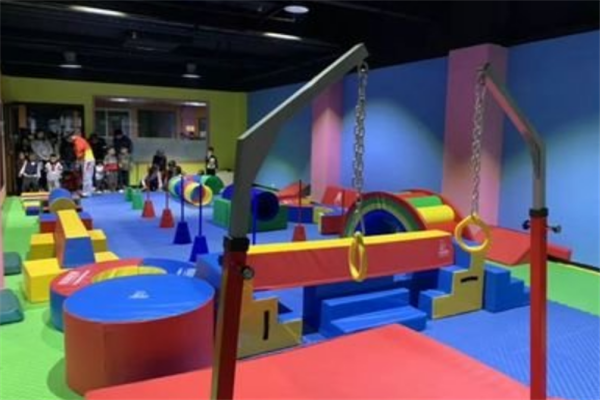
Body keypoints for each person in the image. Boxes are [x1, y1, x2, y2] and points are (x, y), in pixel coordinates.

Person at [68, 132, 95, 197]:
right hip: (87, 159)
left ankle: (86, 192)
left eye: (68, 139)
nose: (69, 141)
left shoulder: (78, 141)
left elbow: (80, 152)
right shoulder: (78, 141)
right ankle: (88, 191)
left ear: (71, 137)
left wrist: (78, 161)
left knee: (86, 176)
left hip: (87, 159)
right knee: (87, 175)